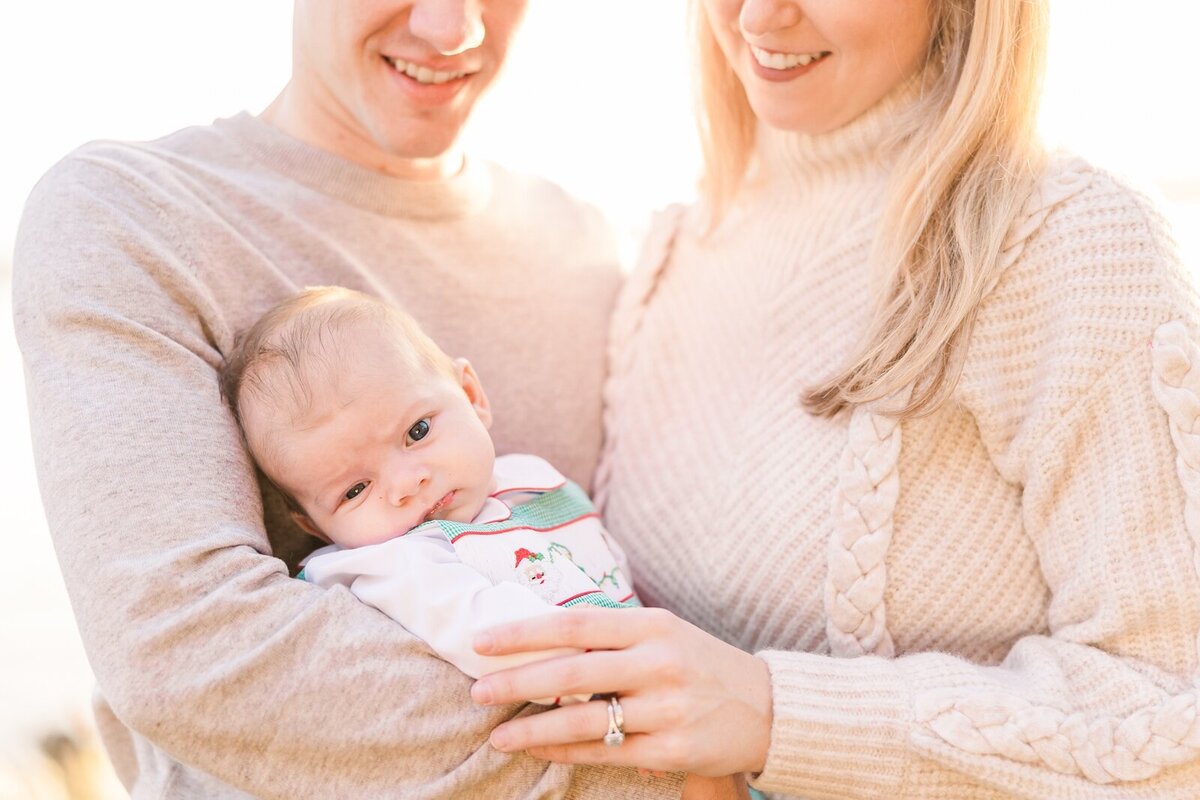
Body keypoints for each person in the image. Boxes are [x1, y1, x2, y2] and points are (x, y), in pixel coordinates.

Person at [462, 0, 1200, 797]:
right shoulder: (674, 250)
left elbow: (1172, 718)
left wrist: (778, 717)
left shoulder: (1072, 242)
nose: (757, 16)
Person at [13, 1, 736, 797]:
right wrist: (682, 773)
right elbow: (196, 656)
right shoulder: (135, 215)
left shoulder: (593, 248)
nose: (452, 30)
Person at [220, 286, 638, 698]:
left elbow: (613, 570)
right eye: (355, 490)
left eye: (417, 432)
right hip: (616, 690)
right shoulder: (393, 565)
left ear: (471, 397)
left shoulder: (536, 481)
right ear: (317, 527)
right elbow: (503, 643)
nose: (405, 484)